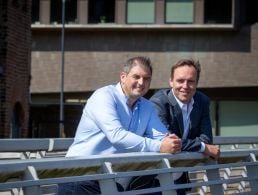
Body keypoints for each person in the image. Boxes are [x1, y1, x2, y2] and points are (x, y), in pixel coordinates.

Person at [58, 56, 182, 195]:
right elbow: (117, 136)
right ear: (123, 77)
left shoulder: (146, 106)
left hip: (110, 180)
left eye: (146, 78)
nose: (141, 82)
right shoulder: (104, 96)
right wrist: (160, 146)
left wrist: (170, 142)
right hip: (80, 178)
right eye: (136, 76)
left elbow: (162, 137)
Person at [150, 59, 220, 195]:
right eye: (180, 80)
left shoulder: (202, 101)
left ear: (197, 83)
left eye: (191, 81)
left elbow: (206, 138)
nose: (185, 86)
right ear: (171, 81)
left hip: (179, 176)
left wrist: (204, 145)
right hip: (154, 178)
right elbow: (169, 142)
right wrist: (203, 148)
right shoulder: (158, 103)